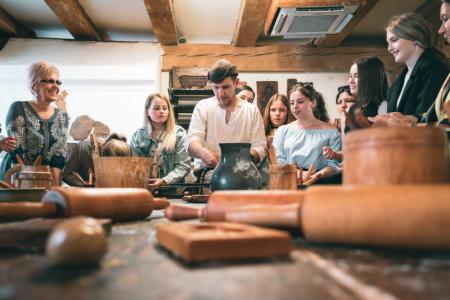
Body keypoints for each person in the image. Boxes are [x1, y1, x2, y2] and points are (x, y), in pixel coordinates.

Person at [186, 59, 266, 181]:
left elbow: (260, 146)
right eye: (216, 87)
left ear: (236, 83)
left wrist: (237, 160)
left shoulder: (251, 111)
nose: (220, 93)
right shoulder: (203, 107)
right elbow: (192, 140)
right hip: (208, 178)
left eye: (225, 87)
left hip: (242, 178)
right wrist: (204, 153)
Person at [1, 61, 68, 186]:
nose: (56, 86)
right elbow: (18, 153)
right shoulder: (18, 108)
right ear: (35, 86)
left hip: (47, 179)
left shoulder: (62, 116)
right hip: (17, 177)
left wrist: (56, 192)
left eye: (58, 82)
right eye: (50, 81)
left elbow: (58, 158)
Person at [272, 83, 341, 185]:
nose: (295, 106)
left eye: (300, 102)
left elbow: (334, 164)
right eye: (291, 103)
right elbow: (278, 159)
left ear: (312, 103)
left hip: (321, 182)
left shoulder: (331, 131)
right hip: (289, 181)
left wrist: (317, 175)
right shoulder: (283, 130)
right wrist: (295, 173)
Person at [385, 13, 449, 120]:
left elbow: (430, 119)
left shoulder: (433, 68)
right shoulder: (400, 79)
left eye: (394, 40)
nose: (389, 48)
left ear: (414, 38)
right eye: (388, 42)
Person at [131, 93, 190, 189]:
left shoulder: (179, 134)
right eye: (156, 108)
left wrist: (164, 180)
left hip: (172, 190)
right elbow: (133, 166)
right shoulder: (138, 136)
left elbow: (184, 166)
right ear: (147, 112)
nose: (161, 111)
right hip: (144, 190)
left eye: (165, 108)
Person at [62, 133, 131, 186]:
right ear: (103, 155)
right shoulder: (83, 148)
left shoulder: (126, 152)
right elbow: (66, 175)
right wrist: (84, 185)